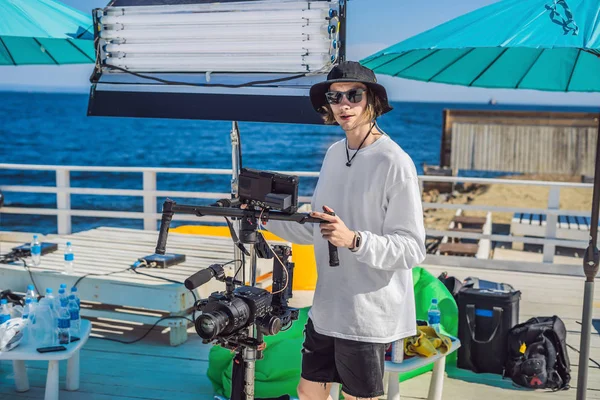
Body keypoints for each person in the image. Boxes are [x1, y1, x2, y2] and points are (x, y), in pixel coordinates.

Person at [264, 61, 426, 400]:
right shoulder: (335, 154)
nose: (344, 105)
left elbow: (412, 249)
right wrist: (266, 218)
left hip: (366, 315)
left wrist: (354, 240)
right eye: (335, 97)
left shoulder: (394, 162)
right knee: (308, 393)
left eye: (354, 95)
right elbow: (317, 231)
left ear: (373, 101)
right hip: (327, 307)